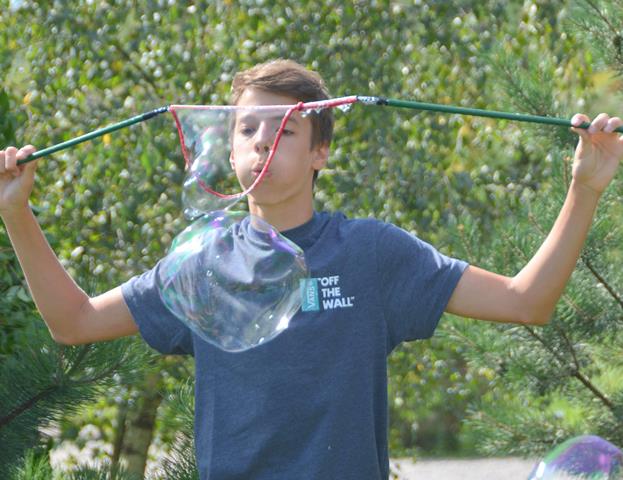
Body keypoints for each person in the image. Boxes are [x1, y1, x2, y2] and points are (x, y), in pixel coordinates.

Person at [0, 59, 621, 479]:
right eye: (247, 129)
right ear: (229, 151)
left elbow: (525, 300)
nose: (261, 142)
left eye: (284, 130)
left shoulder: (371, 253)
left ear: (321, 151)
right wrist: (16, 213)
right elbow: (74, 321)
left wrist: (585, 188)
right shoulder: (202, 266)